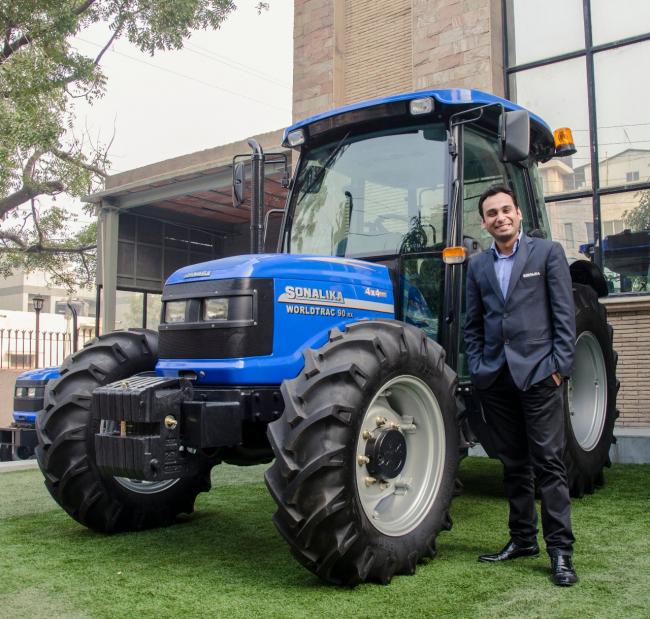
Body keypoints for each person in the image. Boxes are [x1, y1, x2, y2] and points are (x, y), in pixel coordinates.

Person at [464, 184, 578, 586]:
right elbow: (473, 324)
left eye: (505, 210)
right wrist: (479, 367)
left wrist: (559, 368)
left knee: (548, 462)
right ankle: (523, 539)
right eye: (492, 213)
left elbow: (564, 316)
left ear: (519, 214)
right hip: (496, 377)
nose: (500, 218)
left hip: (539, 374)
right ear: (484, 222)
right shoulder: (477, 266)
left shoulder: (547, 253)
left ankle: (560, 552)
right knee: (513, 462)